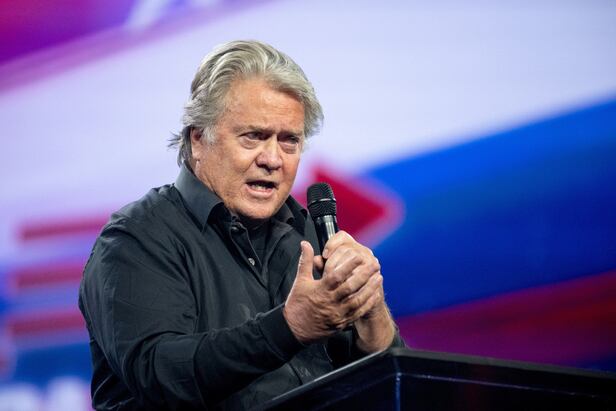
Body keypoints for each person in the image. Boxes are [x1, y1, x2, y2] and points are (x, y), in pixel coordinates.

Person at [79, 40, 404, 410]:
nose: (272, 159)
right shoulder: (136, 237)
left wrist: (373, 319)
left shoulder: (308, 234)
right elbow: (160, 374)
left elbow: (395, 392)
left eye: (289, 141)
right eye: (254, 136)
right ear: (198, 139)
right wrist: (289, 327)